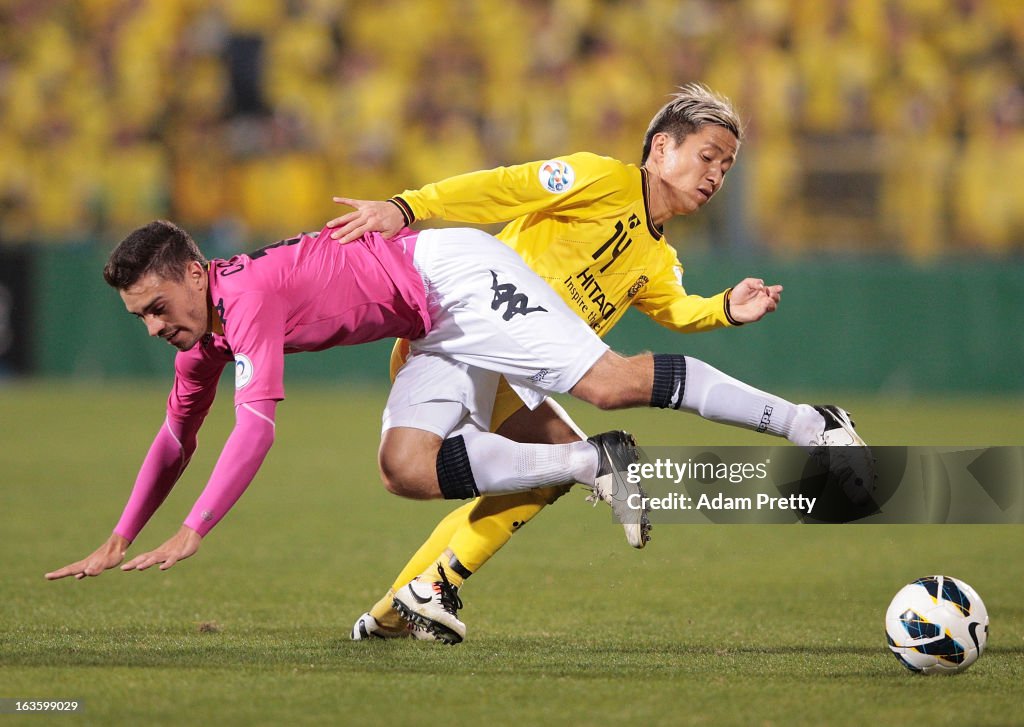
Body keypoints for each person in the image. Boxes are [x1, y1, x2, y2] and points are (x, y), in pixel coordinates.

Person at [44, 218, 866, 643]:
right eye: (139, 317)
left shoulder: (246, 298)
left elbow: (253, 428)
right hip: (427, 324)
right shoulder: (203, 332)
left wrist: (194, 529)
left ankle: (808, 421)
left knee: (611, 382)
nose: (154, 326)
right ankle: (591, 462)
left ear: (195, 273)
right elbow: (175, 437)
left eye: (158, 307)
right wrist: (120, 536)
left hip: (456, 277)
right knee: (404, 465)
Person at [326, 84, 871, 643]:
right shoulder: (601, 179)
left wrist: (724, 308)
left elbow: (676, 307)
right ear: (661, 149)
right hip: (469, 328)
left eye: (727, 168)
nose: (716, 176)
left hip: (513, 374)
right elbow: (504, 187)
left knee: (538, 476)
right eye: (708, 157)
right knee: (587, 404)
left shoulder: (658, 257)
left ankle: (406, 605)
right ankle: (807, 423)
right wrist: (410, 205)